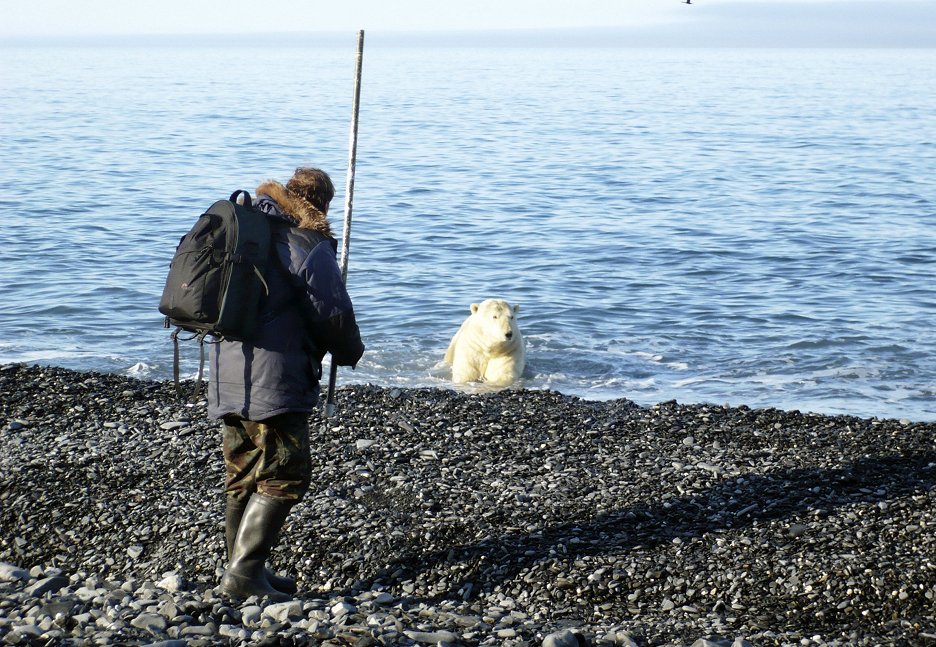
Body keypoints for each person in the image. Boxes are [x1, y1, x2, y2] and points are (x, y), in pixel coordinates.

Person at [207, 167, 365, 601]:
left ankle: (244, 567)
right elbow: (331, 313)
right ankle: (243, 575)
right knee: (284, 475)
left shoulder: (247, 232)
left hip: (227, 374)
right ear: (323, 204)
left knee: (242, 473)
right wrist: (351, 351)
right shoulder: (306, 243)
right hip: (275, 382)